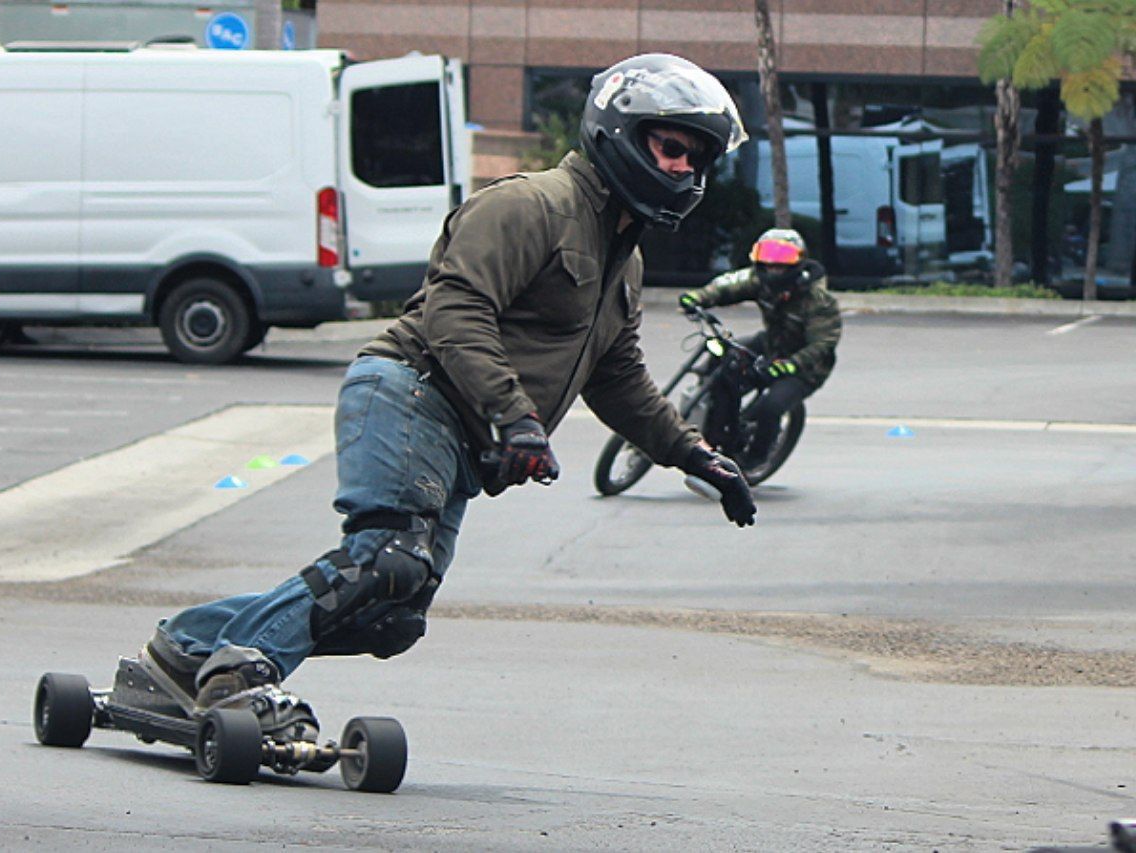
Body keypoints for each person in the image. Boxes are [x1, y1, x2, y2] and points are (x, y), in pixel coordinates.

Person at [138, 54, 758, 710]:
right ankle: (241, 672)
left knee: (393, 611)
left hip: (463, 438)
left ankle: (187, 648)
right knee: (387, 559)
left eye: (696, 157)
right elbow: (454, 311)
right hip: (410, 391)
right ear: (619, 135)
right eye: (670, 148)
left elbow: (619, 380)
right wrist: (516, 415)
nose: (684, 169)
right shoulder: (530, 206)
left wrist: (695, 455)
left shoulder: (622, 261)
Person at [678, 229, 842, 469]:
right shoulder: (759, 280)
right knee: (723, 362)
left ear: (798, 260)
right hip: (770, 344)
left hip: (806, 367)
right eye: (768, 257)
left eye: (782, 258)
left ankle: (755, 458)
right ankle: (717, 431)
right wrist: (697, 298)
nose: (773, 265)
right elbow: (728, 286)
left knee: (770, 407)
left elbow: (822, 345)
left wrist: (787, 366)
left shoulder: (818, 300)